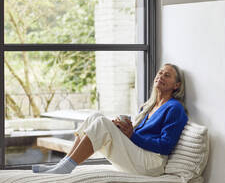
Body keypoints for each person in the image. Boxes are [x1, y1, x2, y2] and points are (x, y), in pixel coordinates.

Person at [32, 63, 188, 176]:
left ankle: (65, 167)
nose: (160, 76)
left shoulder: (174, 108)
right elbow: (137, 134)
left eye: (167, 75)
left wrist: (132, 135)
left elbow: (166, 146)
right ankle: (63, 164)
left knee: (101, 123)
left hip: (152, 163)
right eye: (160, 73)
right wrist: (120, 128)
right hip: (138, 153)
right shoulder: (148, 106)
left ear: (176, 85)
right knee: (95, 116)